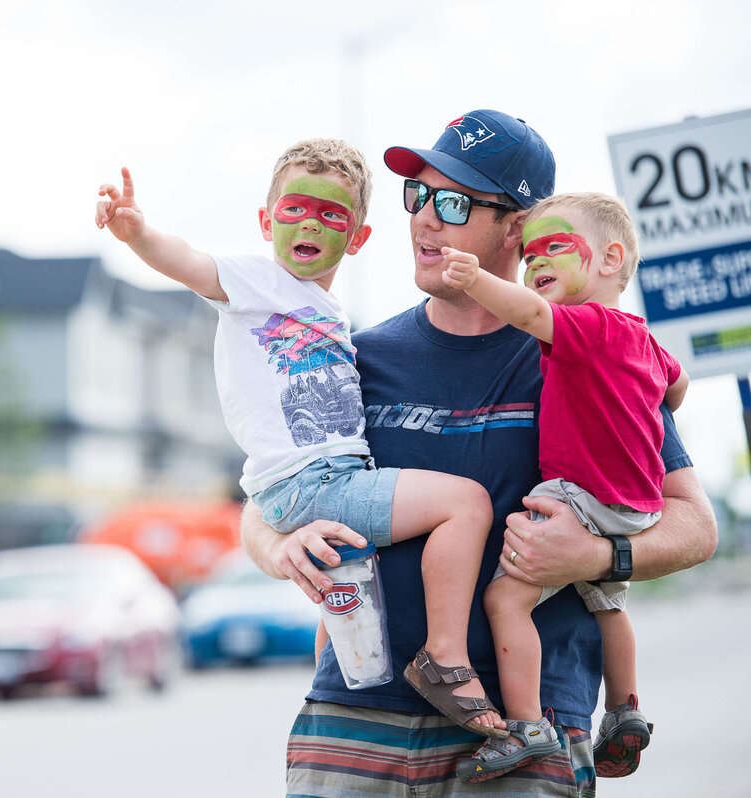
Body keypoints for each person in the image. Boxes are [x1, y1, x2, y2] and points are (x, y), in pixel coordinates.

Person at [240, 109, 717, 797]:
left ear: (517, 229)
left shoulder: (591, 351)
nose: (425, 220)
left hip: (525, 736)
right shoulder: (355, 357)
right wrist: (275, 547)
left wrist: (594, 557)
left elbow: (694, 526)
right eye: (419, 196)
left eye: (455, 202)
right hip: (355, 716)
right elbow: (263, 501)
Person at [94, 139, 513, 737]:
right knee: (465, 504)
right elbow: (191, 262)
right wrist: (138, 234)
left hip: (334, 477)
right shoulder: (256, 282)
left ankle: (350, 679)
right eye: (294, 209)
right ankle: (444, 657)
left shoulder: (330, 311)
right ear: (267, 222)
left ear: (358, 237)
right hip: (310, 482)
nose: (310, 223)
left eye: (331, 214)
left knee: (352, 589)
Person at [441, 191, 688, 780]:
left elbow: (529, 317)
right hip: (635, 504)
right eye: (529, 255)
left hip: (580, 495)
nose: (535, 263)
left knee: (506, 598)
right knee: (607, 603)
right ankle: (625, 711)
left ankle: (526, 726)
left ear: (610, 260)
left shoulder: (589, 327)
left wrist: (477, 278)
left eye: (555, 247)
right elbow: (676, 389)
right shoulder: (642, 340)